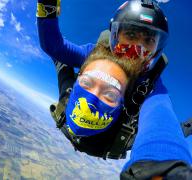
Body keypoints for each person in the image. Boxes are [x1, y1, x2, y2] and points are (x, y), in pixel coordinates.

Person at [36, 0, 192, 178]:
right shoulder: (94, 54)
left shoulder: (150, 84)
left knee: (177, 129)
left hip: (111, 136)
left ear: (157, 48)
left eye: (149, 40)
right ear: (115, 34)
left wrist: (160, 162)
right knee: (63, 61)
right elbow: (55, 47)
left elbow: (159, 111)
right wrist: (48, 7)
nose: (137, 50)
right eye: (131, 34)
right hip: (85, 127)